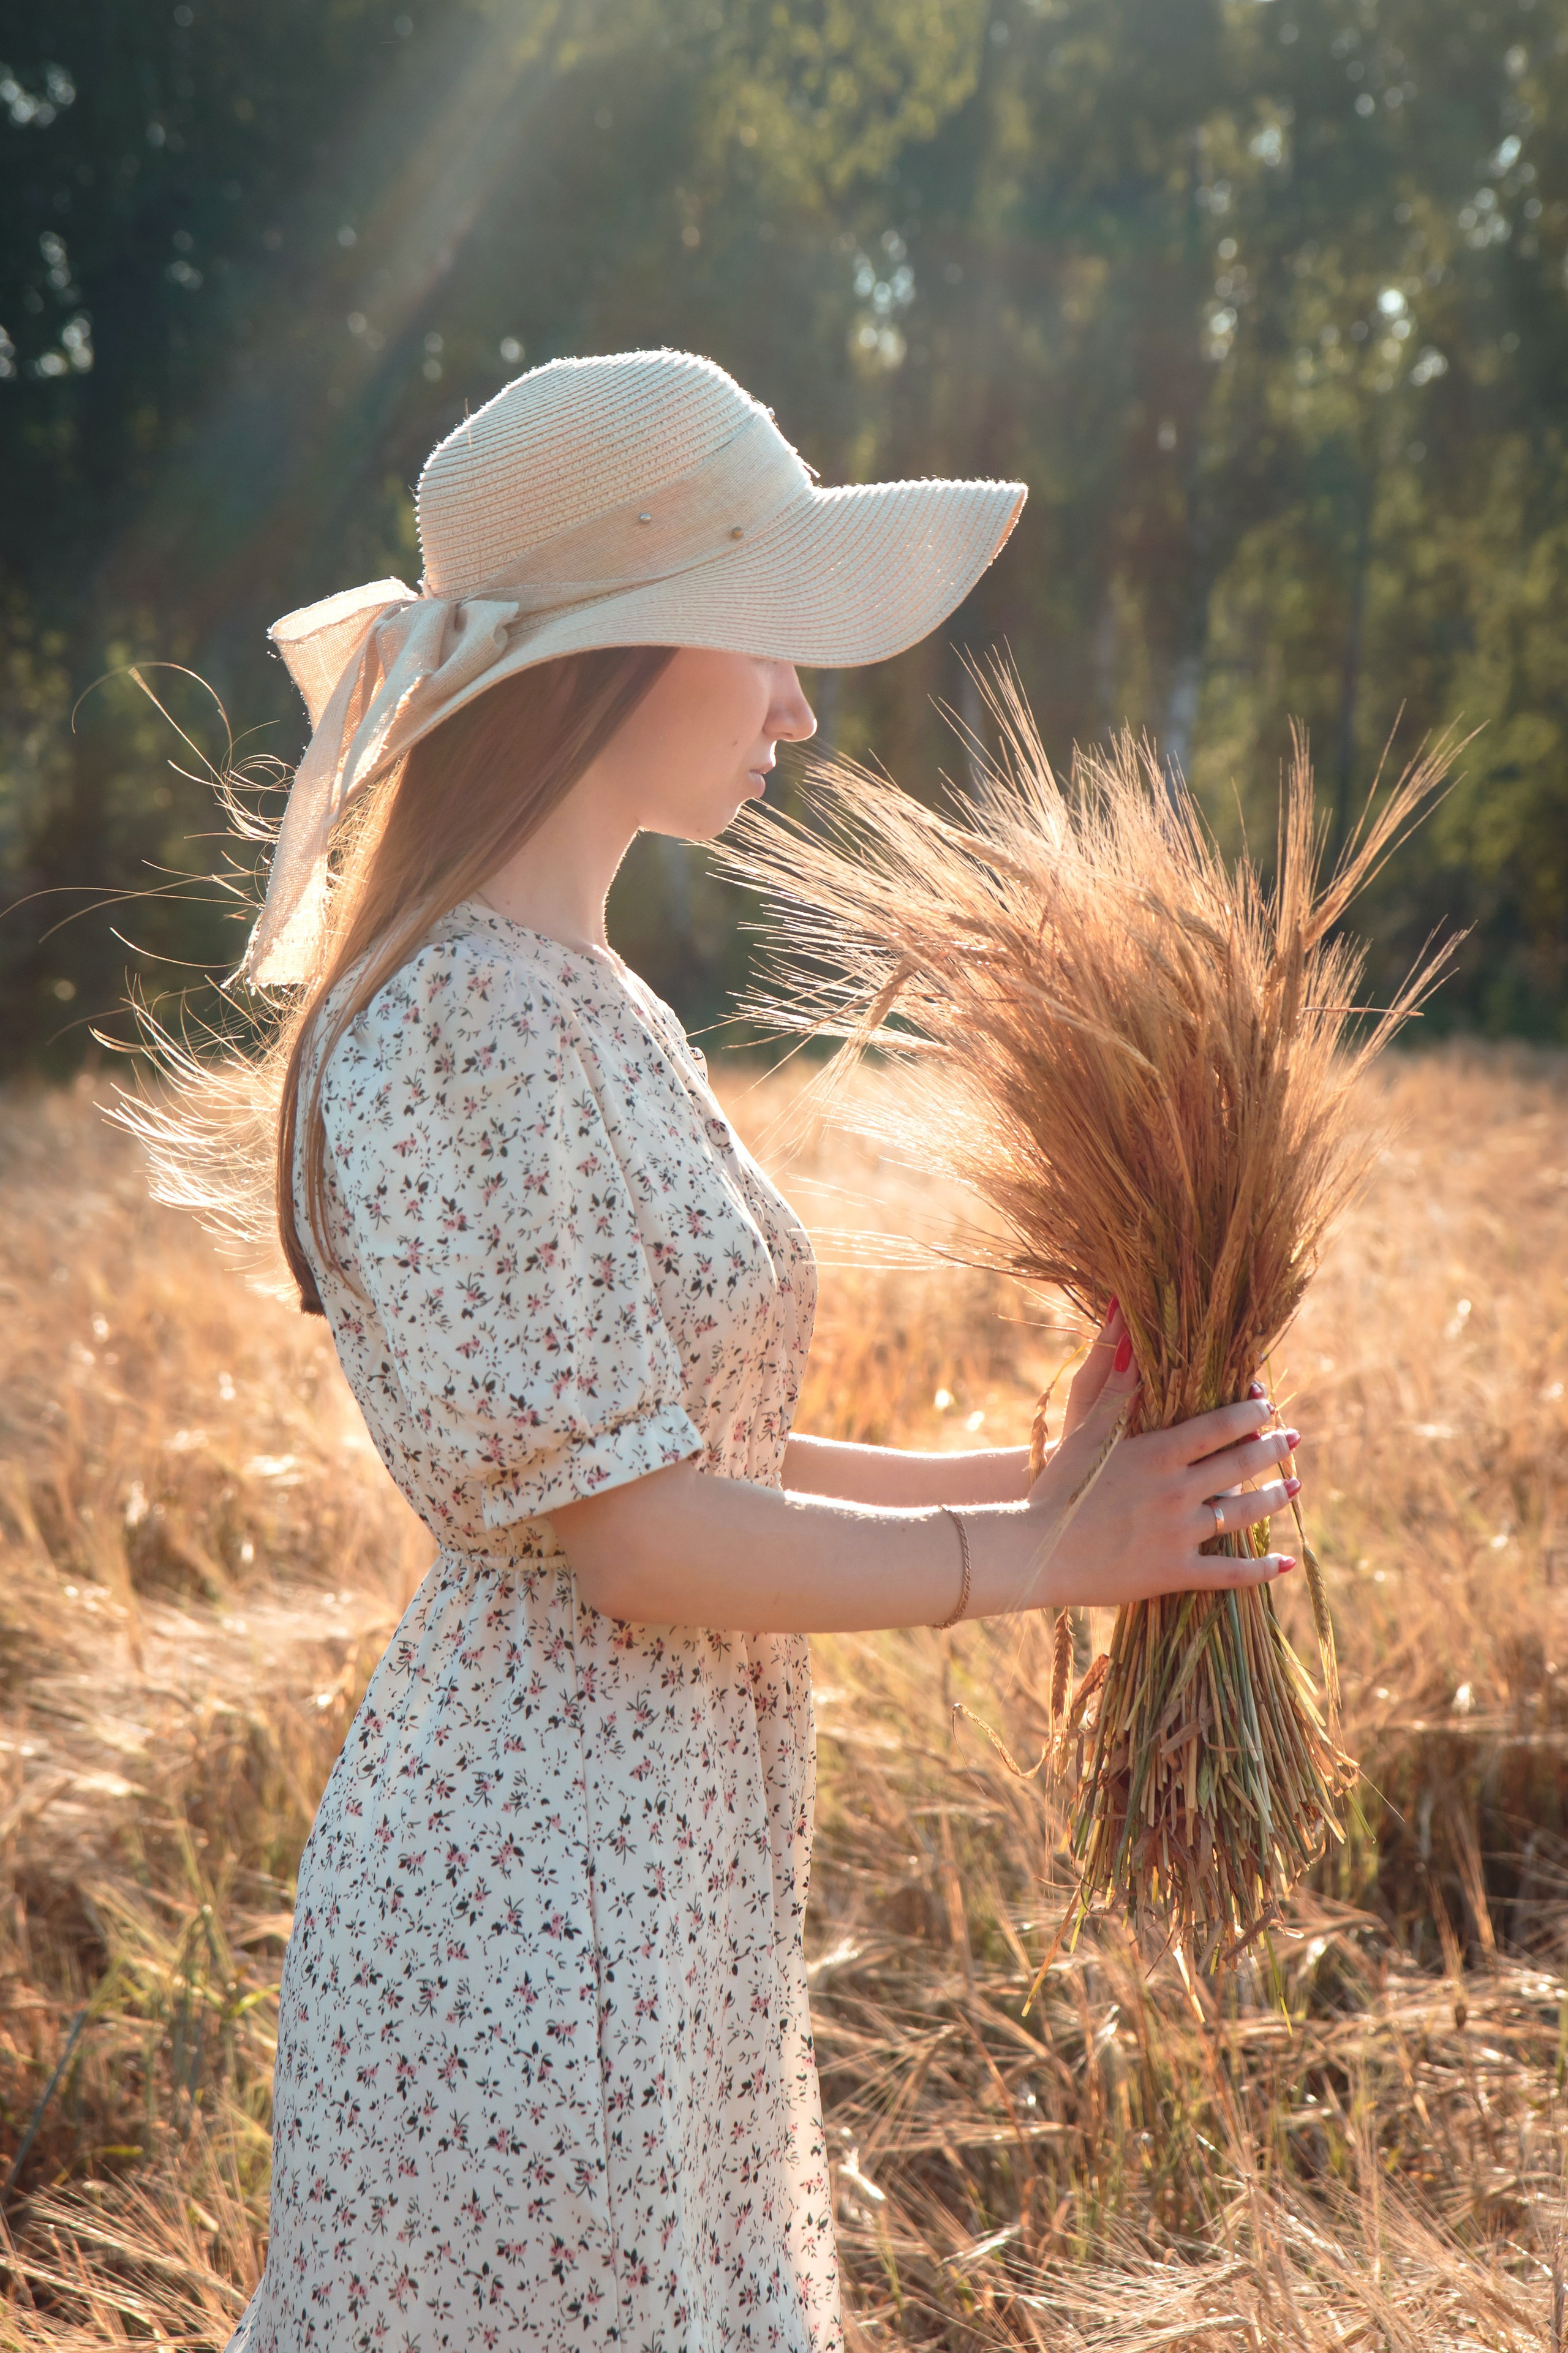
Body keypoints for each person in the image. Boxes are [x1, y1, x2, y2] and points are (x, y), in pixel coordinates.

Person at [197, 350, 1300, 2352]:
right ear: (615, 657)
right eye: (769, 634)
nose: (801, 696)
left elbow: (706, 1452)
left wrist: (1046, 1486)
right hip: (536, 1927)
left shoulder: (588, 998)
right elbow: (636, 1540)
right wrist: (1046, 1559)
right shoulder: (466, 1020)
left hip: (656, 1874)